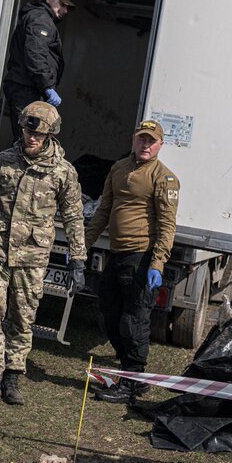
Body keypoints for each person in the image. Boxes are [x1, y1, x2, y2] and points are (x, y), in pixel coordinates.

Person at [0, 101, 86, 405]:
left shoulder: (63, 172)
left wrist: (78, 259)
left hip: (32, 256)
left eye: (38, 134)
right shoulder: (4, 161)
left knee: (22, 319)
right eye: (28, 131)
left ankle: (12, 377)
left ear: (50, 135)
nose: (31, 138)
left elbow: (74, 217)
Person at [82, 120, 180, 404]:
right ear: (133, 140)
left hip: (142, 256)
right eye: (141, 139)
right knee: (108, 313)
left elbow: (167, 225)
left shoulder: (165, 178)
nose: (145, 145)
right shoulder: (119, 168)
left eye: (151, 141)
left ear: (161, 144)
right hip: (118, 254)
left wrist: (157, 263)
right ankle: (130, 372)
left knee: (134, 320)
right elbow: (103, 210)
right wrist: (83, 245)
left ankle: (132, 381)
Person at [1, 0, 75, 141]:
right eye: (62, 4)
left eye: (67, 7)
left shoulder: (40, 18)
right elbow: (35, 53)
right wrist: (47, 86)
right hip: (26, 88)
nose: (65, 11)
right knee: (27, 140)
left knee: (29, 140)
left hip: (27, 88)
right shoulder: (41, 20)